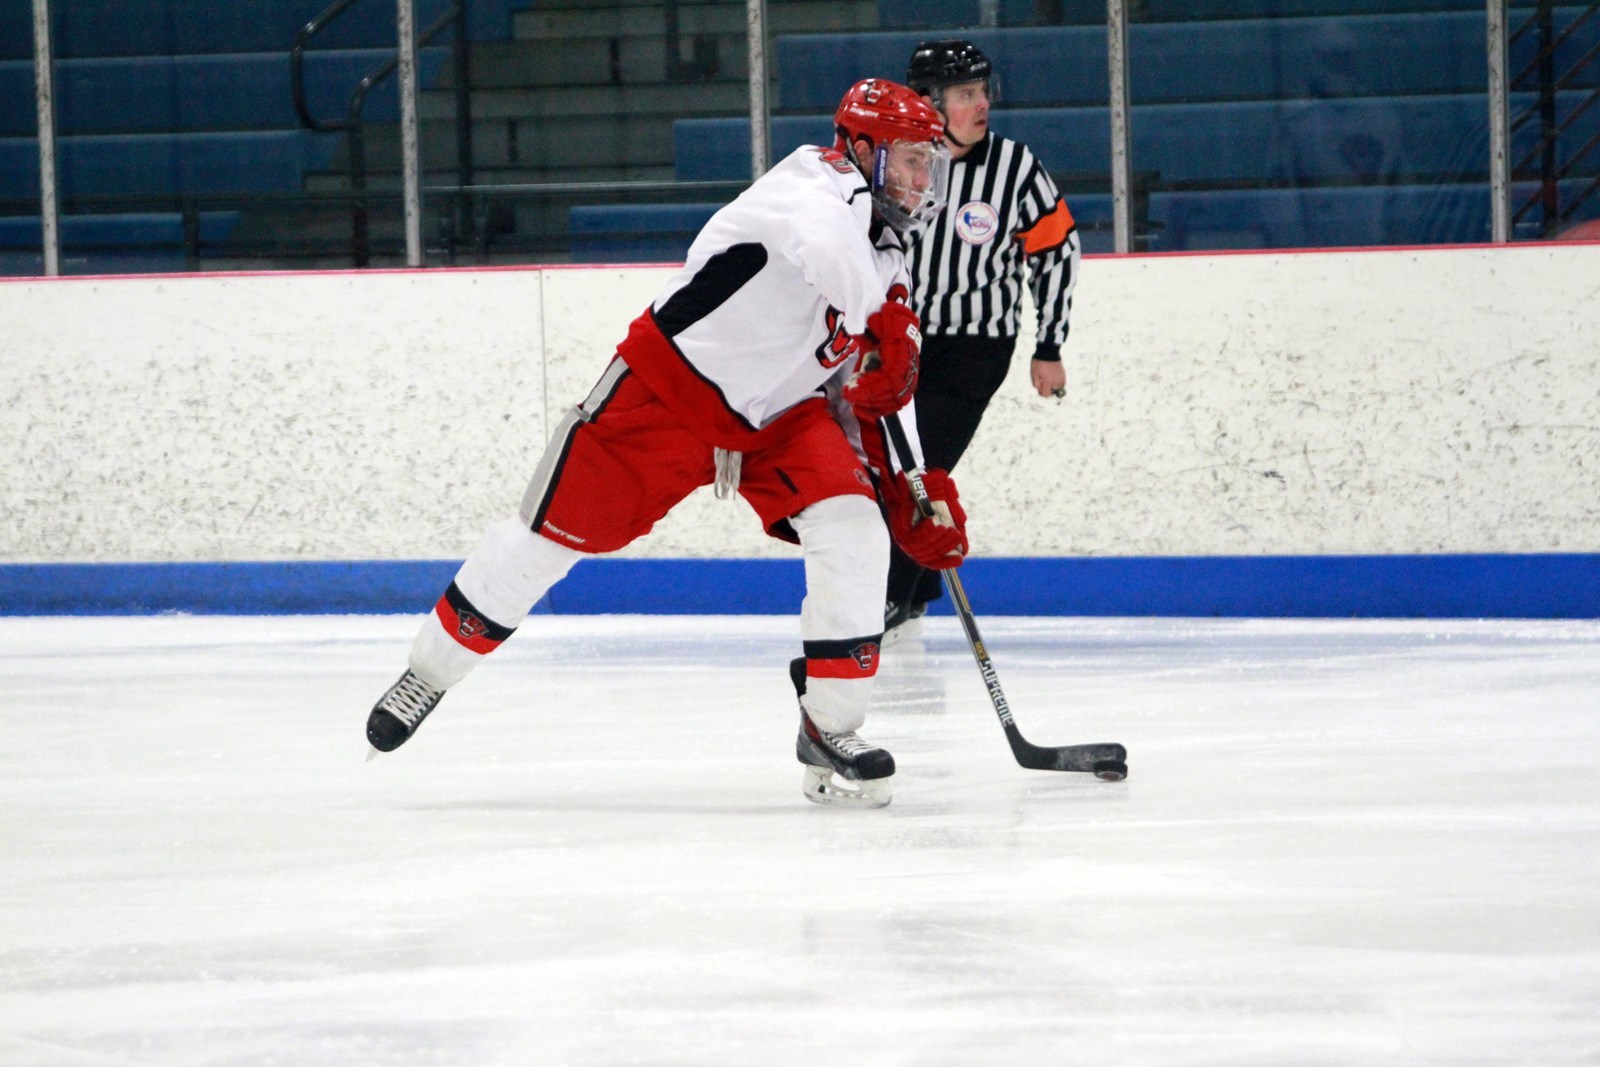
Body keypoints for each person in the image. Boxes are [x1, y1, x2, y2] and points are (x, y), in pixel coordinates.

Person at [364, 79, 967, 808]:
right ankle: (428, 671)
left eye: (927, 163)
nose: (920, 180)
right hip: (666, 394)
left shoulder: (888, 254)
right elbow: (822, 245)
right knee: (544, 545)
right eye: (907, 159)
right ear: (862, 150)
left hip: (780, 416)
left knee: (856, 529)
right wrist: (886, 316)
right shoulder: (813, 185)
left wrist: (911, 482)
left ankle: (829, 729)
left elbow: (873, 382)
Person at [885, 39, 1082, 641]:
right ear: (929, 102)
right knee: (895, 467)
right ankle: (914, 591)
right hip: (904, 340)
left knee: (920, 467)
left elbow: (1058, 251)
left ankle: (886, 599)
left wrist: (1048, 346)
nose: (982, 104)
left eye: (982, 91)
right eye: (966, 93)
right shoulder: (900, 160)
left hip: (977, 346)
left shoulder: (1016, 167)